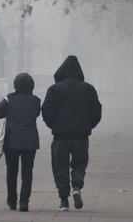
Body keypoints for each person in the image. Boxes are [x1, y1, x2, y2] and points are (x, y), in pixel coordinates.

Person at [42, 55, 102, 211]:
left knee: (59, 166)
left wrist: (53, 125)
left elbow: (46, 110)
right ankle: (76, 187)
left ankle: (63, 200)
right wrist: (88, 126)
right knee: (79, 164)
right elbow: (97, 112)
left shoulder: (54, 89)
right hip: (81, 136)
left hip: (60, 136)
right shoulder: (88, 89)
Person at [0, 73, 41, 212]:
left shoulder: (10, 99)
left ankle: (12, 201)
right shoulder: (36, 101)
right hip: (30, 141)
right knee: (27, 172)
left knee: (11, 171)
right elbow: (36, 113)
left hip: (11, 141)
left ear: (16, 85)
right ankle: (24, 202)